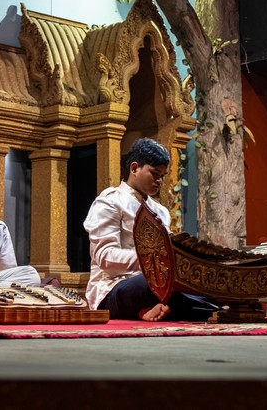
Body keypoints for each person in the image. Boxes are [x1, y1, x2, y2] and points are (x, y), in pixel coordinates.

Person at [83, 137, 218, 321]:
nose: (159, 181)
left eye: (162, 176)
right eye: (154, 174)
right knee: (153, 283)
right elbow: (105, 258)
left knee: (202, 282)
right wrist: (153, 263)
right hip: (113, 289)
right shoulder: (110, 202)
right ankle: (171, 306)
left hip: (157, 284)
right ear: (134, 168)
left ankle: (155, 309)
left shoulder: (160, 212)